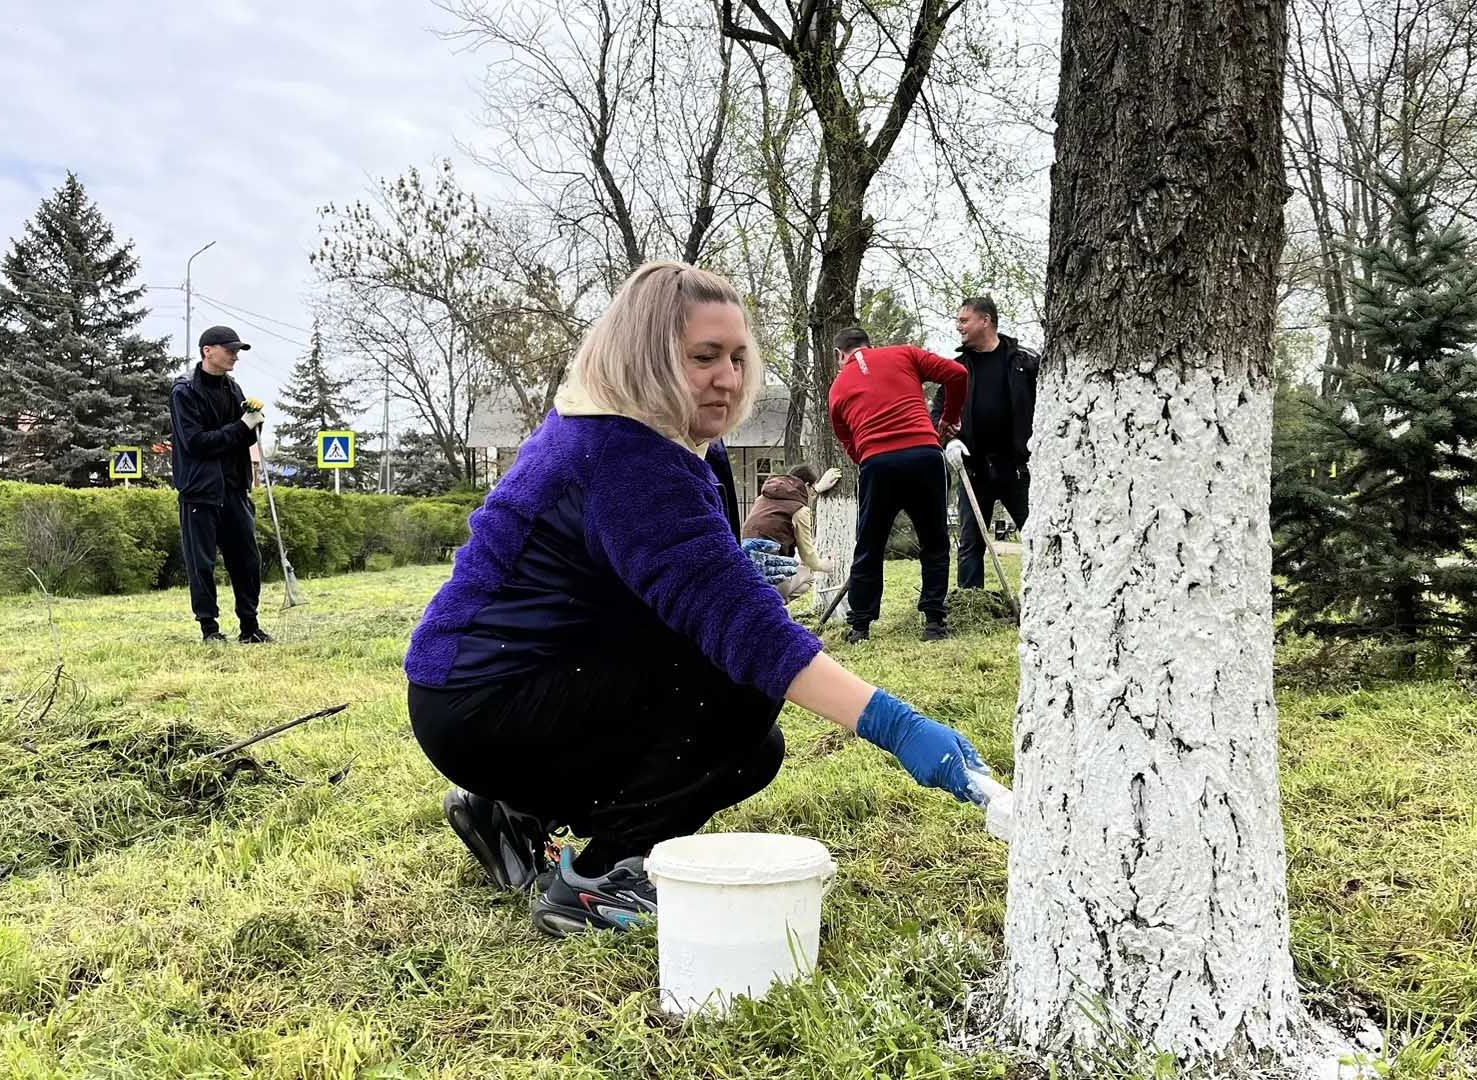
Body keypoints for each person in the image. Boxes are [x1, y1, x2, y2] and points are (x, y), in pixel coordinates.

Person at [403, 262, 988, 938]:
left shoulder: (664, 439)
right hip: (488, 694)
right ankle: (594, 883)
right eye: (704, 357)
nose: (730, 377)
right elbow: (747, 631)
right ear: (645, 357)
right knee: (737, 689)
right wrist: (898, 726)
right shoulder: (624, 452)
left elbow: (670, 578)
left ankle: (510, 814)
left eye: (739, 358)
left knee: (753, 746)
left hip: (497, 686)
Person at [827, 328, 967, 643]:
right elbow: (957, 374)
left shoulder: (837, 389)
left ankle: (860, 627)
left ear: (840, 355)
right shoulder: (904, 353)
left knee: (869, 546)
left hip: (878, 464)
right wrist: (948, 419)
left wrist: (870, 456)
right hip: (924, 455)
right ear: (869, 344)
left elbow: (849, 442)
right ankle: (934, 623)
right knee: (934, 541)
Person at [170, 325, 270, 644]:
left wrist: (254, 427)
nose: (235, 357)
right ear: (207, 351)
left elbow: (241, 438)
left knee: (247, 559)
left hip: (235, 488)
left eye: (237, 351)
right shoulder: (184, 391)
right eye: (229, 350)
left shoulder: (233, 389)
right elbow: (196, 442)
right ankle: (209, 629)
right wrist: (241, 427)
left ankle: (249, 626)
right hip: (200, 490)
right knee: (202, 563)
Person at [935, 297, 1039, 590]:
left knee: (1036, 535)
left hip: (1018, 468)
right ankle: (971, 601)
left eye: (964, 321)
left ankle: (1043, 597)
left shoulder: (1025, 363)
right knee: (970, 543)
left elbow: (1046, 407)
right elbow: (937, 413)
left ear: (986, 320)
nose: (959, 327)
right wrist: (950, 442)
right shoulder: (955, 370)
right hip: (974, 469)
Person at [740, 463, 841, 600]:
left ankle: (768, 606)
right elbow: (808, 556)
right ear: (806, 486)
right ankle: (775, 606)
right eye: (812, 489)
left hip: (744, 574)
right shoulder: (799, 511)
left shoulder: (762, 499)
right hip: (770, 577)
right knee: (808, 575)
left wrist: (816, 489)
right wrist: (825, 566)